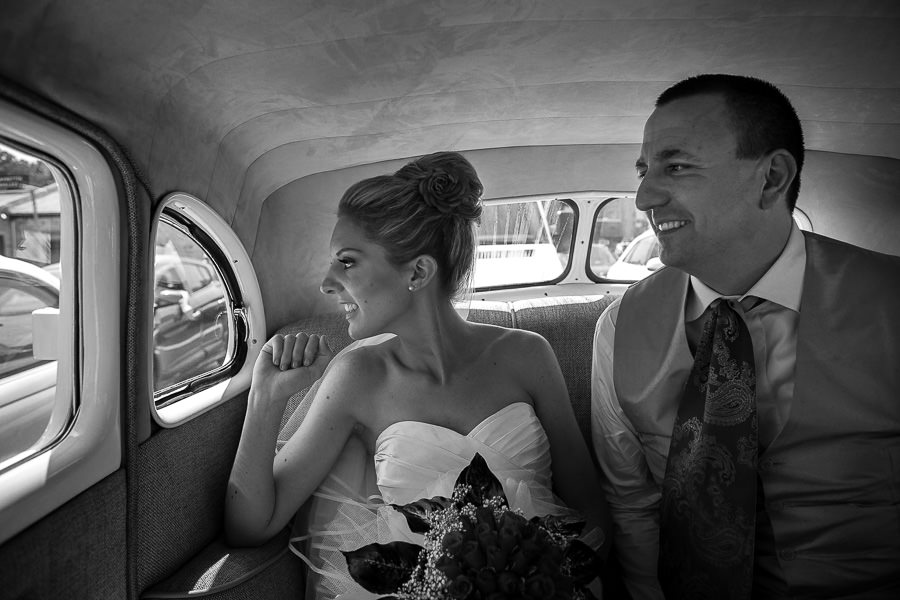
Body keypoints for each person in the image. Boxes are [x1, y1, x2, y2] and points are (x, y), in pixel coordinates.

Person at [226, 151, 610, 599]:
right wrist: (265, 399)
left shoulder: (528, 355)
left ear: (419, 271)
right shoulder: (357, 375)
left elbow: (591, 509)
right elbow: (251, 527)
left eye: (346, 261)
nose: (326, 284)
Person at [591, 73, 900, 600]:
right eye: (644, 170)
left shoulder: (890, 301)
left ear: (772, 177)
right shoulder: (618, 328)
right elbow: (633, 502)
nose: (643, 196)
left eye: (677, 166)